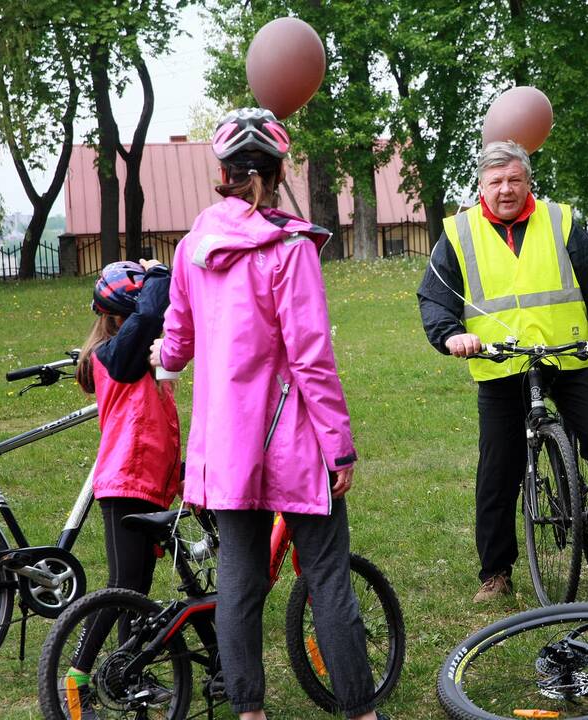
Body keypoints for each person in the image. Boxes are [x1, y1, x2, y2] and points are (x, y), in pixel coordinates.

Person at [150, 107, 384, 720]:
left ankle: (248, 711)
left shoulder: (193, 246)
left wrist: (163, 359)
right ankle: (360, 711)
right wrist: (339, 445)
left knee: (239, 579)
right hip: (295, 439)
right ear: (278, 172)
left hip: (228, 443)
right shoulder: (290, 247)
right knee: (328, 576)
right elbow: (310, 359)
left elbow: (178, 335)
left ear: (222, 173)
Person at [417, 140, 588, 602]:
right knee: (498, 469)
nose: (505, 189)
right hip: (501, 365)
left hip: (568, 356)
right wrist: (451, 335)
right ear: (481, 186)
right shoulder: (458, 234)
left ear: (528, 182)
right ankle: (495, 572)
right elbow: (435, 298)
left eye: (514, 179)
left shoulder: (559, 221)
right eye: (495, 181)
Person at [65, 259, 182, 714]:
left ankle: (126, 673)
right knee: (121, 587)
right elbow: (151, 313)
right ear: (121, 317)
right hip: (125, 484)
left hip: (148, 484)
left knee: (136, 592)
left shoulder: (135, 358)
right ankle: (76, 678)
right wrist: (158, 274)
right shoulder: (116, 357)